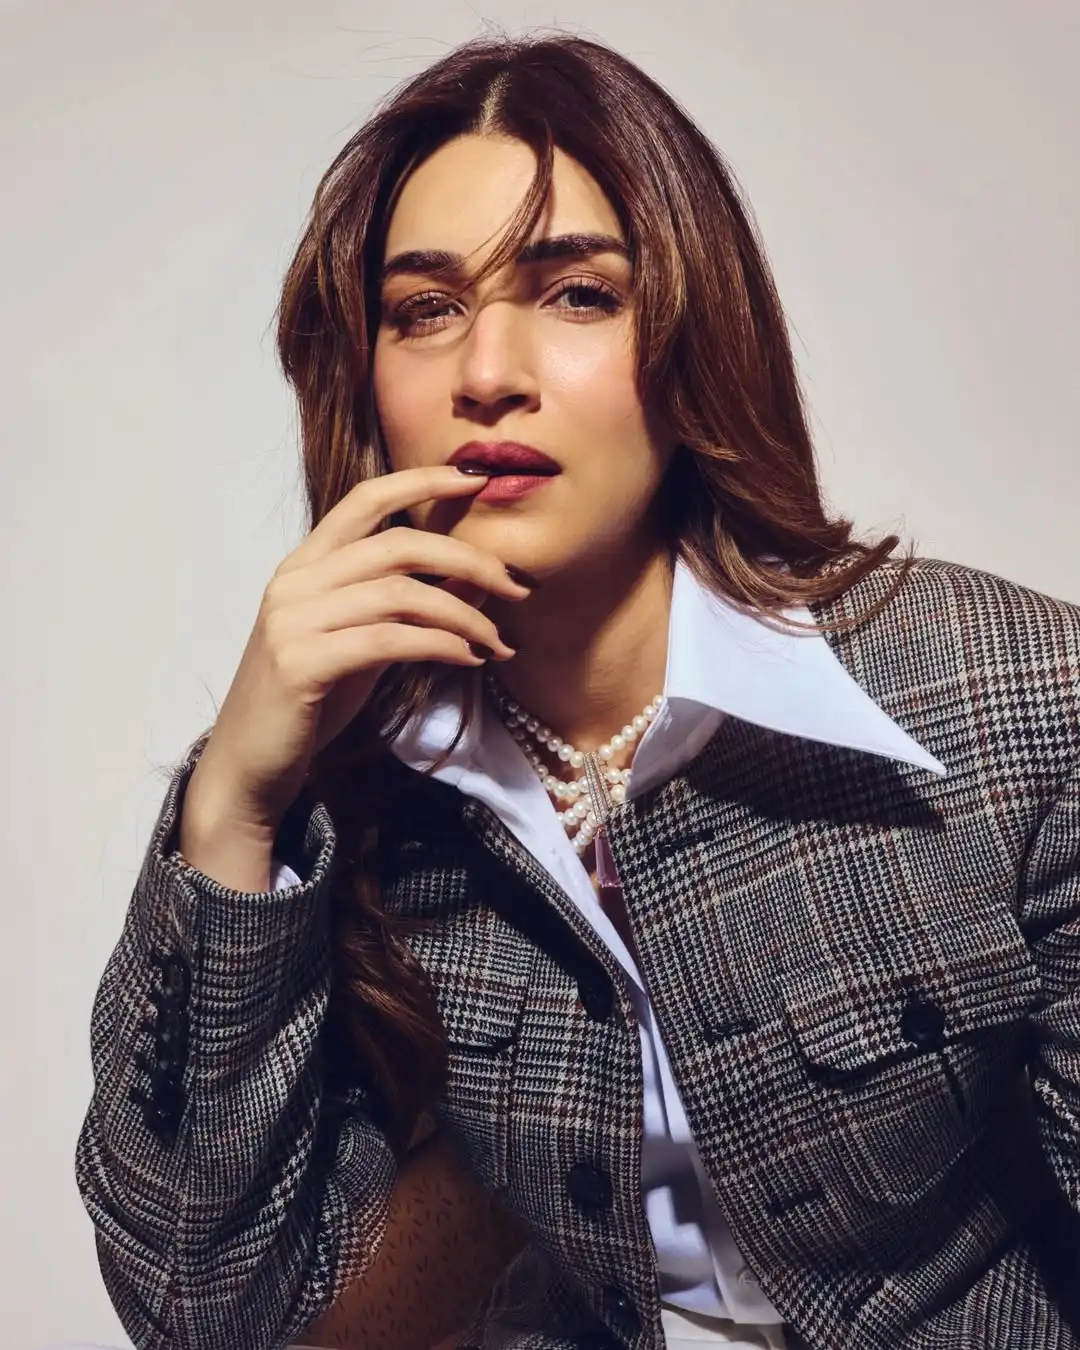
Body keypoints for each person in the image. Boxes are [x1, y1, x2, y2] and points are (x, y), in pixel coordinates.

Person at [74, 29, 1080, 1350]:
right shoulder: (353, 802)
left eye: (577, 294)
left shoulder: (1006, 697)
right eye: (425, 309)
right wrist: (233, 807)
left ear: (695, 337)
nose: (488, 372)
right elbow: (203, 1312)